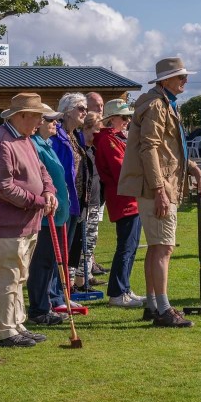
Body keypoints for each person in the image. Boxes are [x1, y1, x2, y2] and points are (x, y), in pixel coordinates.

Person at [118, 57, 201, 327]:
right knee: (164, 247)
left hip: (161, 183)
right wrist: (159, 189)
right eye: (181, 77)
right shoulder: (158, 105)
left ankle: (154, 304)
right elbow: (150, 148)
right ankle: (163, 309)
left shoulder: (163, 102)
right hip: (158, 186)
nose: (185, 81)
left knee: (158, 246)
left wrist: (193, 168)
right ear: (165, 80)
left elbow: (170, 149)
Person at [0, 93, 58, 348]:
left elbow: (42, 171)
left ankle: (16, 323)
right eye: (37, 115)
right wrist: (39, 201)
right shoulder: (2, 142)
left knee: (19, 276)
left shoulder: (24, 139)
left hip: (27, 221)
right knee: (7, 276)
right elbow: (3, 187)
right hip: (8, 224)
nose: (40, 121)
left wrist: (48, 191)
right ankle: (4, 331)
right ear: (22, 115)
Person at [95, 99, 145, 308]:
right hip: (124, 199)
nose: (127, 121)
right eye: (124, 117)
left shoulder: (116, 138)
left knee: (131, 246)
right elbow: (121, 170)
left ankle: (123, 288)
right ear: (112, 119)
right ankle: (117, 292)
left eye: (128, 117)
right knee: (125, 247)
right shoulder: (108, 140)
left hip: (131, 199)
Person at [27, 107, 71, 326]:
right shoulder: (34, 145)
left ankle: (46, 305)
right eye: (50, 120)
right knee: (41, 263)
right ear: (39, 122)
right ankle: (39, 309)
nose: (56, 123)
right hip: (44, 217)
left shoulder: (48, 145)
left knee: (50, 264)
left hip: (56, 213)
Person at [53, 93, 86, 276]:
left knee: (68, 248)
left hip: (76, 200)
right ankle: (55, 293)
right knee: (58, 248)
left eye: (86, 109)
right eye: (81, 108)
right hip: (62, 199)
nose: (85, 112)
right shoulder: (56, 135)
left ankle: (61, 290)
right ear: (66, 111)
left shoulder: (76, 136)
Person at [74, 111, 107, 286]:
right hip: (81, 204)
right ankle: (73, 282)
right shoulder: (78, 148)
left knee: (90, 243)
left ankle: (83, 280)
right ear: (86, 128)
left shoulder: (94, 149)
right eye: (95, 132)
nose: (97, 136)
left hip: (94, 202)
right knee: (78, 244)